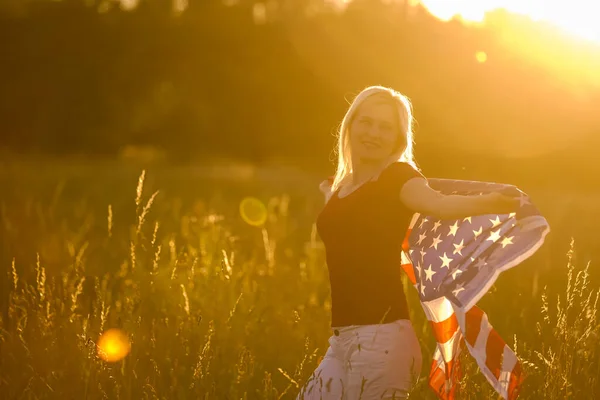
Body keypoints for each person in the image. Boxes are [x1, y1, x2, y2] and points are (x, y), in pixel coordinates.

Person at [295, 86, 520, 399]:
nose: (373, 133)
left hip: (382, 342)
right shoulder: (344, 186)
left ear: (398, 139)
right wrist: (329, 197)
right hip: (341, 340)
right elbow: (351, 227)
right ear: (351, 125)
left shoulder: (399, 177)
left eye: (385, 127)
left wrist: (494, 201)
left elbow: (439, 204)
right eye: (367, 122)